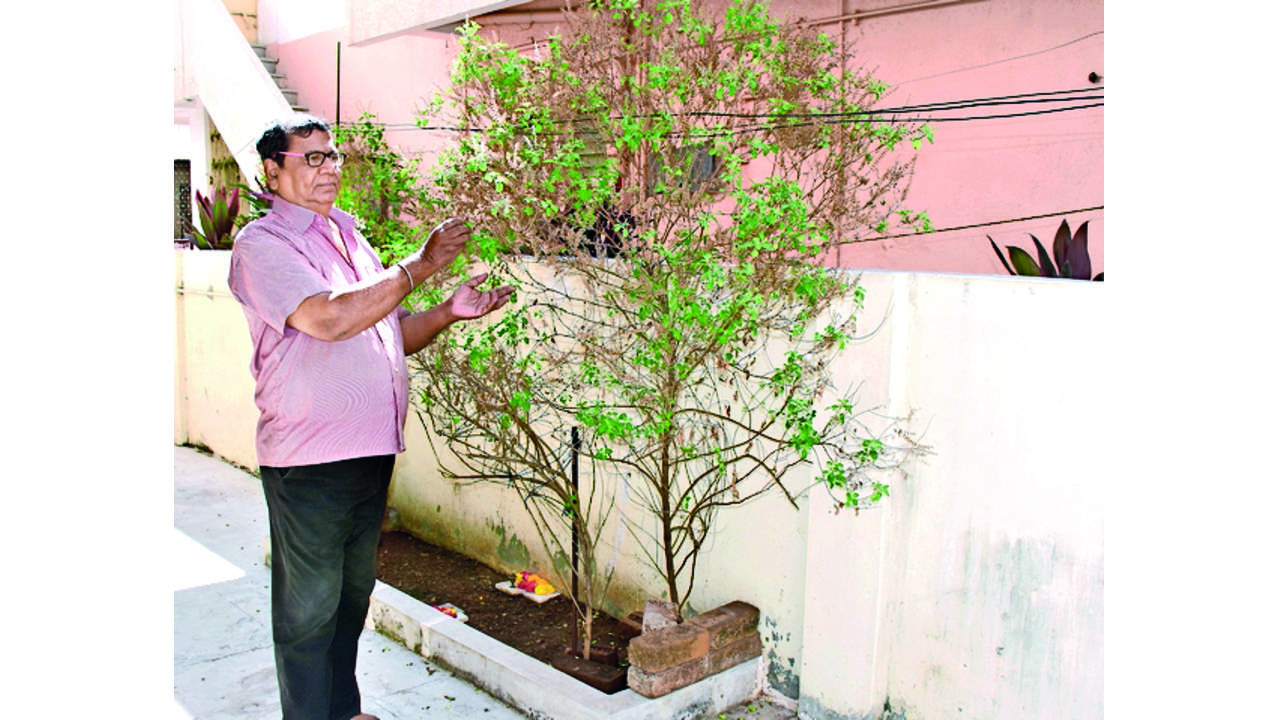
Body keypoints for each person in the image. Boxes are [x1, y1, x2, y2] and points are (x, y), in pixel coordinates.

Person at [227, 113, 513, 720]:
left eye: (332, 157)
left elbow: (386, 335)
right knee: (308, 609)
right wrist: (420, 265)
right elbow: (329, 319)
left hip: (369, 451)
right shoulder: (263, 244)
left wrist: (445, 311)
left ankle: (342, 710)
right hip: (310, 460)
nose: (328, 168)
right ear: (271, 171)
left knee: (351, 596)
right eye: (310, 158)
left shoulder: (350, 237)